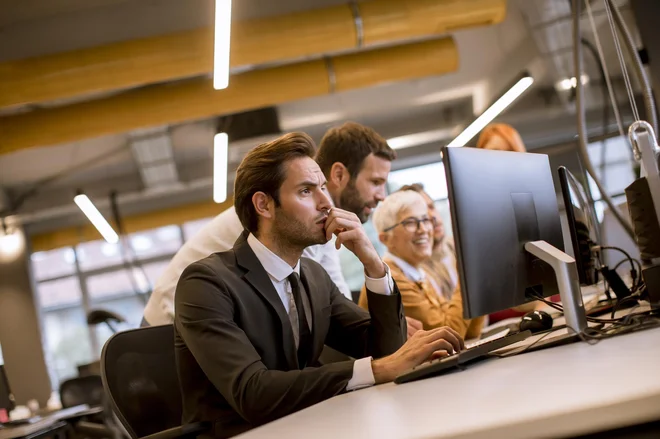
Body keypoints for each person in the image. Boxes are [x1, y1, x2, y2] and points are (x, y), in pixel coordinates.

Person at [174, 133, 464, 437]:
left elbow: (383, 347)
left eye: (323, 188)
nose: (326, 203)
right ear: (264, 205)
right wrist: (377, 370)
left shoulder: (312, 274)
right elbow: (253, 392)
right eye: (306, 191)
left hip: (309, 424)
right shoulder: (207, 283)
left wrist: (374, 265)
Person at [142, 121, 396, 326]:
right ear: (339, 174)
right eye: (375, 182)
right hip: (171, 321)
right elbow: (333, 317)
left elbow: (335, 307)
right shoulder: (292, 220)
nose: (382, 195)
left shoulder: (316, 219)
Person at [358, 190, 483, 339]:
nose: (423, 229)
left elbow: (470, 332)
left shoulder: (416, 272)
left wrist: (473, 280)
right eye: (410, 223)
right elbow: (450, 334)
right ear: (385, 239)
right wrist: (466, 278)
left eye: (425, 220)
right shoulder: (392, 281)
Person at [398, 183, 457, 299]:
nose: (432, 216)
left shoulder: (459, 248)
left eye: (431, 207)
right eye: (422, 213)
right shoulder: (412, 274)